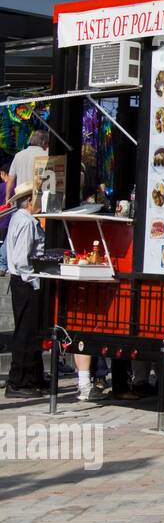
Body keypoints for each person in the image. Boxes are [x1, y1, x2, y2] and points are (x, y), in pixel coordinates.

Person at [4, 183, 46, 398]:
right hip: (26, 280)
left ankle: (31, 376)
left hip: (21, 279)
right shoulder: (27, 222)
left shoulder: (18, 219)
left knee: (28, 330)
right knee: (25, 331)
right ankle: (17, 381)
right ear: (30, 200)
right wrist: (35, 281)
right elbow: (22, 260)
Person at [7, 130, 50, 200]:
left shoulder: (18, 155)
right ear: (44, 143)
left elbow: (10, 179)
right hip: (38, 200)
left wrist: (7, 199)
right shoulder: (46, 155)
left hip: (20, 198)